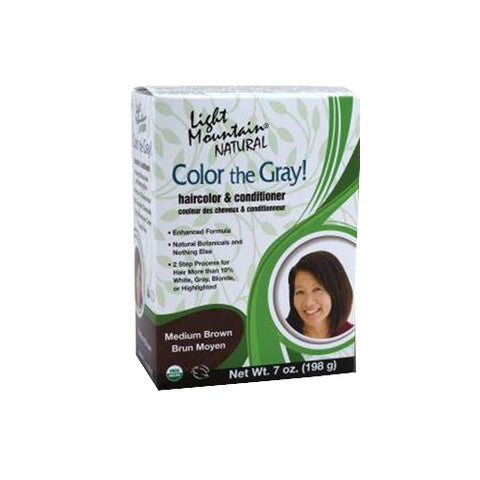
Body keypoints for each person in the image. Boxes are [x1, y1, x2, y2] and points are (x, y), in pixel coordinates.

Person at [285, 251, 353, 339]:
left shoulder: (352, 337)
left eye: (317, 289)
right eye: (300, 292)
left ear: (336, 292)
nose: (308, 303)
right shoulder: (279, 336)